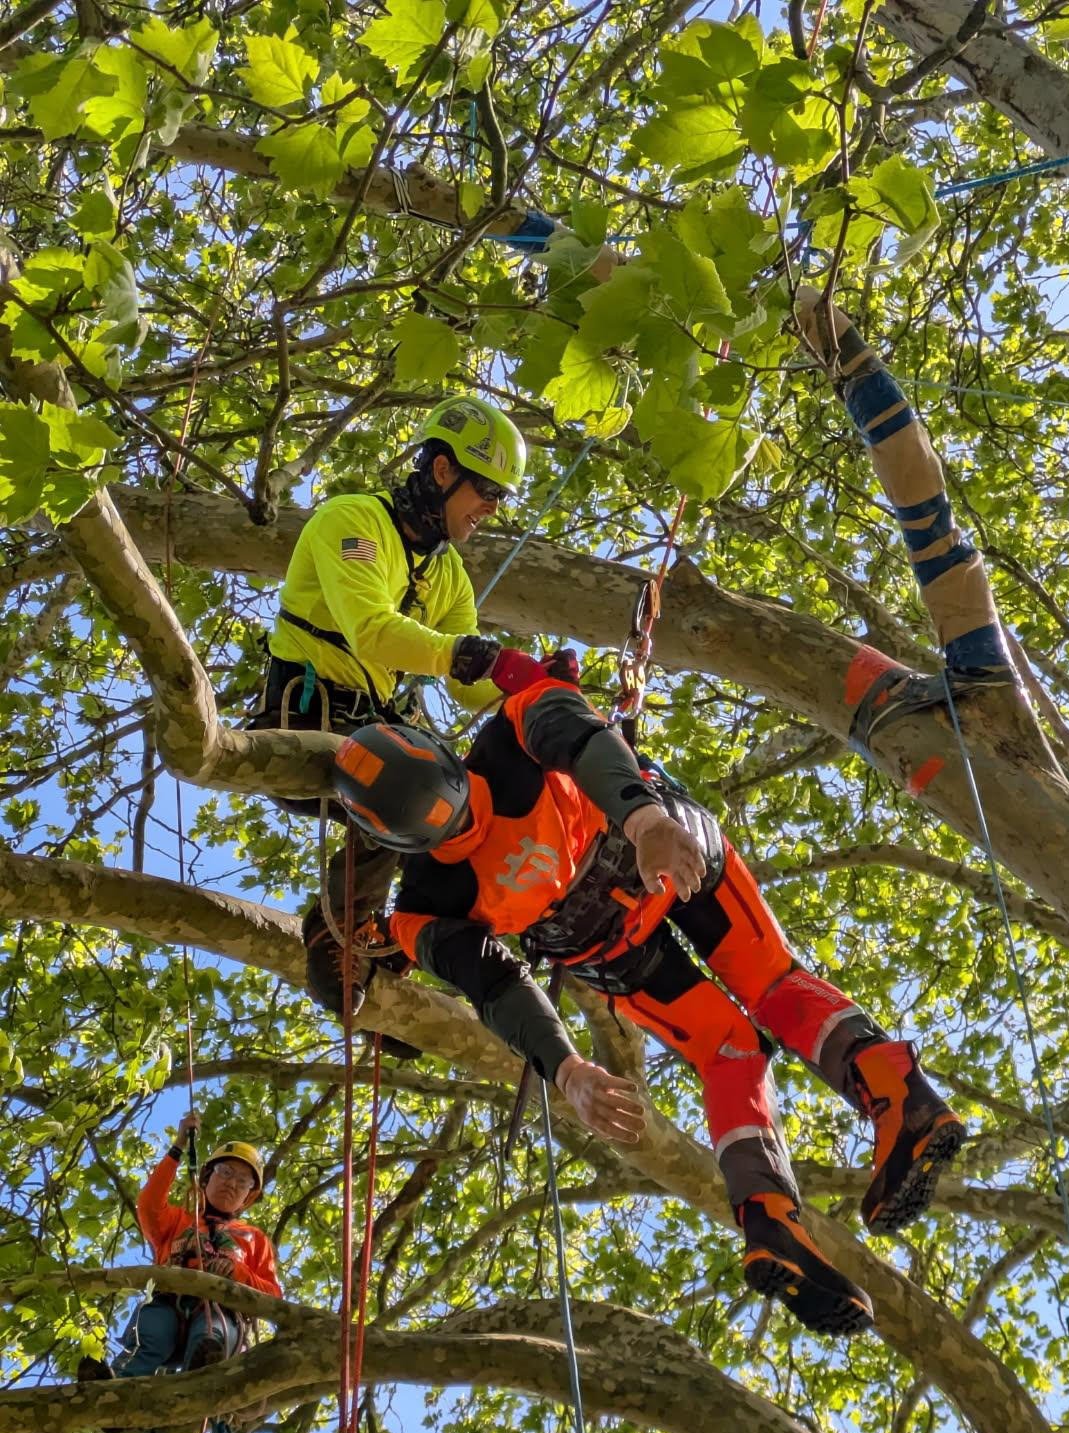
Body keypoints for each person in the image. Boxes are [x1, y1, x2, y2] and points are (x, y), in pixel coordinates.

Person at [332, 676, 967, 1337]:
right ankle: (785, 1205)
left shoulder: (513, 733)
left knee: (741, 1029)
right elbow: (495, 987)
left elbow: (583, 736)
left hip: (658, 859)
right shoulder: (423, 908)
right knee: (751, 1016)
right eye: (450, 830)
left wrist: (647, 819)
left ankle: (850, 1136)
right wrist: (567, 1069)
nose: (468, 827)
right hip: (616, 931)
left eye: (463, 809)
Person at [245, 394, 560, 1018]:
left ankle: (405, 936)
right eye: (487, 492)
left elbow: (468, 687)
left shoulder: (450, 580)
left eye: (501, 499)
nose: (492, 511)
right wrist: (469, 656)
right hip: (307, 715)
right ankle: (335, 930)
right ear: (442, 470)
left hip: (373, 730)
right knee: (414, 785)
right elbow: (372, 630)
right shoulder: (354, 521)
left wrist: (526, 682)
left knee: (466, 806)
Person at [793, 286, 1015, 749]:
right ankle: (842, 353)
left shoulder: (984, 671)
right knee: (934, 534)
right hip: (979, 663)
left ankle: (843, 354)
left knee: (933, 534)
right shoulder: (982, 664)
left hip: (980, 670)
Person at [77, 1110, 281, 1381]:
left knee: (210, 1336)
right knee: (152, 1333)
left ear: (248, 1195)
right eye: (225, 1172)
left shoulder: (254, 1238)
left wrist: (236, 1273)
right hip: (168, 1300)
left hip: (220, 1309)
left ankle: (201, 1377)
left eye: (243, 1181)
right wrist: (178, 1147)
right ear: (206, 1177)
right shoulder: (177, 1219)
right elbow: (149, 1205)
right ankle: (115, 1388)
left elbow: (273, 1296)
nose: (231, 1183)